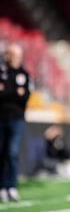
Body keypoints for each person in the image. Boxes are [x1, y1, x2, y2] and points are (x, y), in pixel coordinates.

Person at [0, 43, 32, 202]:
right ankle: (1, 188)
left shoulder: (24, 74)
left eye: (15, 54)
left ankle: (11, 186)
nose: (12, 57)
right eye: (10, 54)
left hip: (17, 119)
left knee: (12, 153)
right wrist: (15, 92)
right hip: (1, 117)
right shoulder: (2, 72)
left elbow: (25, 98)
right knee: (1, 153)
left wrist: (7, 91)